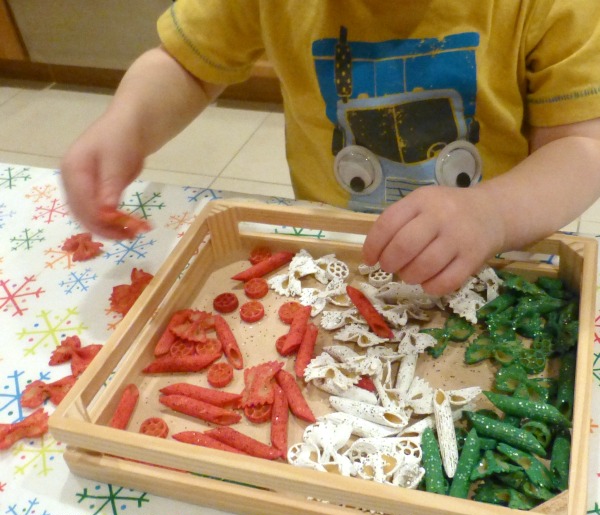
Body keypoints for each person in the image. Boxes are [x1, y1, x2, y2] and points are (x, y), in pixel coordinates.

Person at [60, 0, 600, 295]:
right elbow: (186, 64)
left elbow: (581, 146)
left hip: (499, 259)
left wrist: (494, 211)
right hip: (333, 254)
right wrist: (126, 124)